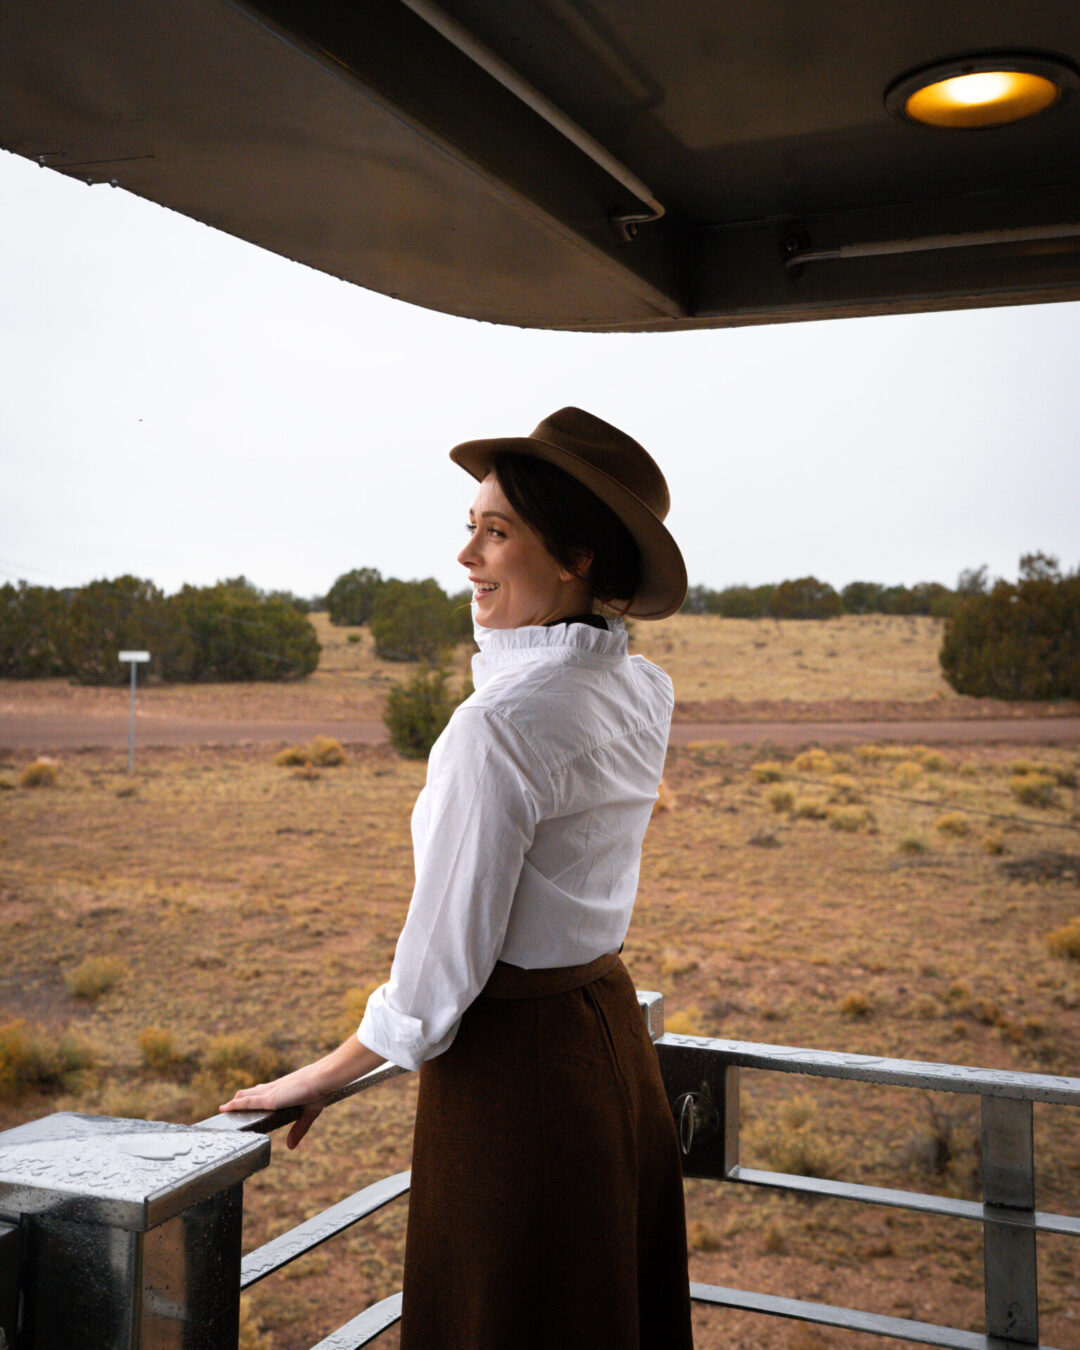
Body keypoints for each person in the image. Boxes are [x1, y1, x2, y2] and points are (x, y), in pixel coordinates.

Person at [222, 406, 694, 1349]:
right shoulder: (641, 688)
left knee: (506, 1320)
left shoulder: (498, 727)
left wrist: (325, 1072)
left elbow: (439, 978)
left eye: (497, 531)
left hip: (515, 1081)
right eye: (469, 525)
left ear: (578, 558)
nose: (467, 556)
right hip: (610, 1046)